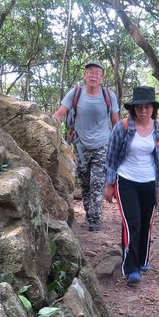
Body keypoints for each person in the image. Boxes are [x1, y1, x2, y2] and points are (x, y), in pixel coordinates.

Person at [104, 86, 159, 285]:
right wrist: (109, 184)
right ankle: (131, 267)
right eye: (139, 107)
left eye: (147, 107)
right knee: (132, 222)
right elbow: (111, 157)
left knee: (145, 223)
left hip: (149, 182)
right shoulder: (123, 128)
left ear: (153, 108)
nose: (143, 111)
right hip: (126, 180)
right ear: (133, 108)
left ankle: (142, 260)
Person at [52, 61, 120, 231]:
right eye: (90, 72)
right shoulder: (75, 93)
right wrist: (47, 127)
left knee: (97, 184)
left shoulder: (108, 95)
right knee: (85, 184)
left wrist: (120, 144)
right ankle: (90, 213)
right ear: (85, 75)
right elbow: (60, 114)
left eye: (97, 73)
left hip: (103, 145)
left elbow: (116, 121)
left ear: (102, 78)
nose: (93, 75)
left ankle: (95, 220)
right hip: (80, 146)